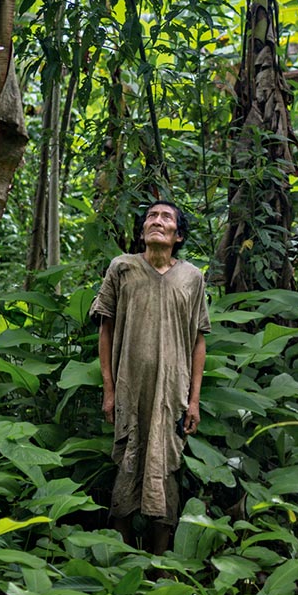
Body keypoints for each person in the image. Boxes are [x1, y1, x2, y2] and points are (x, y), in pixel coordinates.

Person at [91, 199, 210, 554]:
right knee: (128, 458)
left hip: (172, 390)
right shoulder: (122, 268)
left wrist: (194, 400)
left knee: (165, 463)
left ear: (178, 235)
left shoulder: (192, 277)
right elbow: (106, 330)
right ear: (142, 230)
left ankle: (160, 562)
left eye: (166, 217)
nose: (157, 221)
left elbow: (198, 339)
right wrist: (109, 390)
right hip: (130, 385)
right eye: (151, 217)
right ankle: (123, 556)